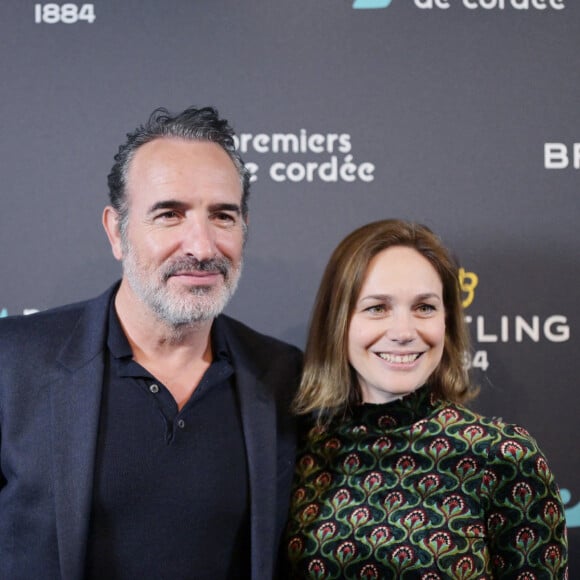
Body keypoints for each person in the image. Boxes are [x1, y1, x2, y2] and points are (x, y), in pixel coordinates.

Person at [0, 106, 302, 580]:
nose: (201, 247)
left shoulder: (285, 376)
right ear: (116, 231)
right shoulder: (11, 364)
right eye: (169, 214)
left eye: (223, 216)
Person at [284, 219, 568, 578]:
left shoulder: (504, 455)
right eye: (377, 308)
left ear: (447, 321)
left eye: (424, 307)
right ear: (338, 321)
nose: (404, 332)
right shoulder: (300, 450)